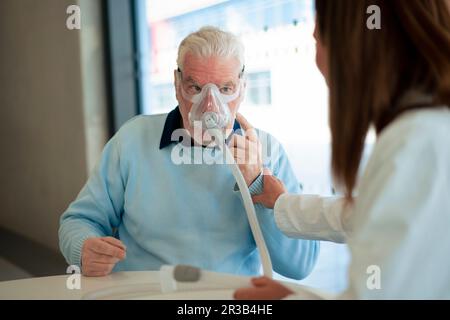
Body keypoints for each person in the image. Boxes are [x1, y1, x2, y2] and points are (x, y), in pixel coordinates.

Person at [59, 26, 319, 279]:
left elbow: (300, 265)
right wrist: (83, 248)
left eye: (225, 89)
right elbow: (78, 220)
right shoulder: (133, 140)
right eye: (195, 88)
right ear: (176, 84)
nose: (210, 106)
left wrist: (256, 184)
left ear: (242, 89)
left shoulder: (267, 152)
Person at [234, 0, 450, 299]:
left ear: (355, 45)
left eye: (319, 35)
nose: (316, 54)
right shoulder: (426, 130)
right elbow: (367, 212)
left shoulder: (416, 142)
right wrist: (282, 203)